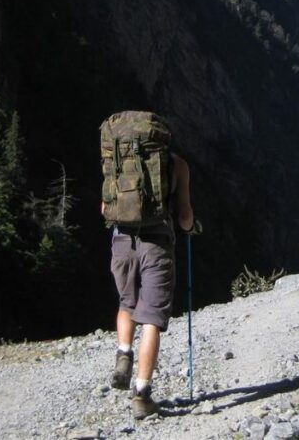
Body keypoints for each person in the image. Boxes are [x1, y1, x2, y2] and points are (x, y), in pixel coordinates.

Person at [104, 152, 197, 420]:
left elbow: (104, 208)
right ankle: (142, 395)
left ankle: (124, 353)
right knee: (151, 320)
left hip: (122, 241)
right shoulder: (178, 164)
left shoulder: (118, 159)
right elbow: (184, 215)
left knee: (126, 303)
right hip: (157, 245)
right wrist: (191, 228)